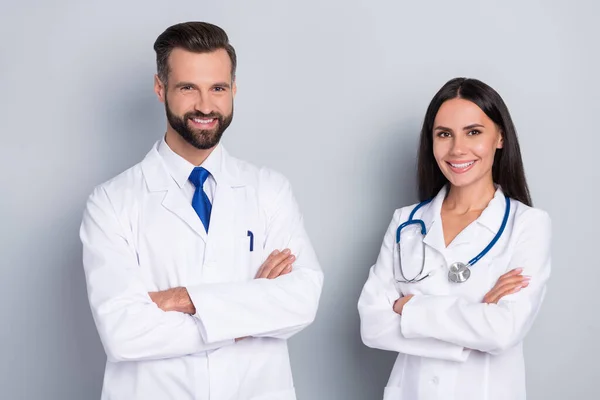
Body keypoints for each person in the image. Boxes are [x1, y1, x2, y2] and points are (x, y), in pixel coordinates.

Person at [80, 21, 323, 400]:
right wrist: (253, 307)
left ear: (234, 90)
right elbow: (123, 333)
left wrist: (182, 299)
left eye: (218, 89)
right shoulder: (111, 202)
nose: (206, 106)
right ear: (161, 89)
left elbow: (301, 300)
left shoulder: (269, 190)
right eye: (188, 88)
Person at [358, 77, 551, 400]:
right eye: (444, 134)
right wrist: (475, 317)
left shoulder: (529, 225)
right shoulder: (406, 222)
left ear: (500, 137)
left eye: (473, 132)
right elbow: (372, 325)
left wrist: (411, 308)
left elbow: (504, 331)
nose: (457, 148)